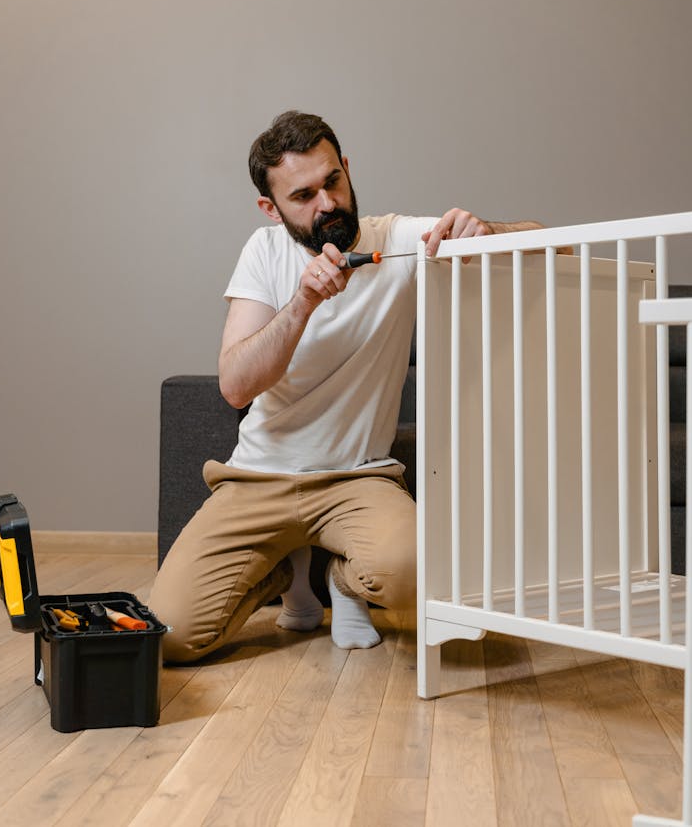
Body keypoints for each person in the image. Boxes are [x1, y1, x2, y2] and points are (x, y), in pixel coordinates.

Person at [150, 111, 544, 662]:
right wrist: (302, 304)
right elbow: (236, 387)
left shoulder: (400, 239)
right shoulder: (264, 252)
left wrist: (487, 231)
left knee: (415, 574)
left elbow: (552, 243)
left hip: (357, 481)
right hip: (258, 479)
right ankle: (280, 571)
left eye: (333, 180)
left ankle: (343, 579)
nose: (327, 204)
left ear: (347, 169)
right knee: (168, 636)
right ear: (271, 207)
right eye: (303, 195)